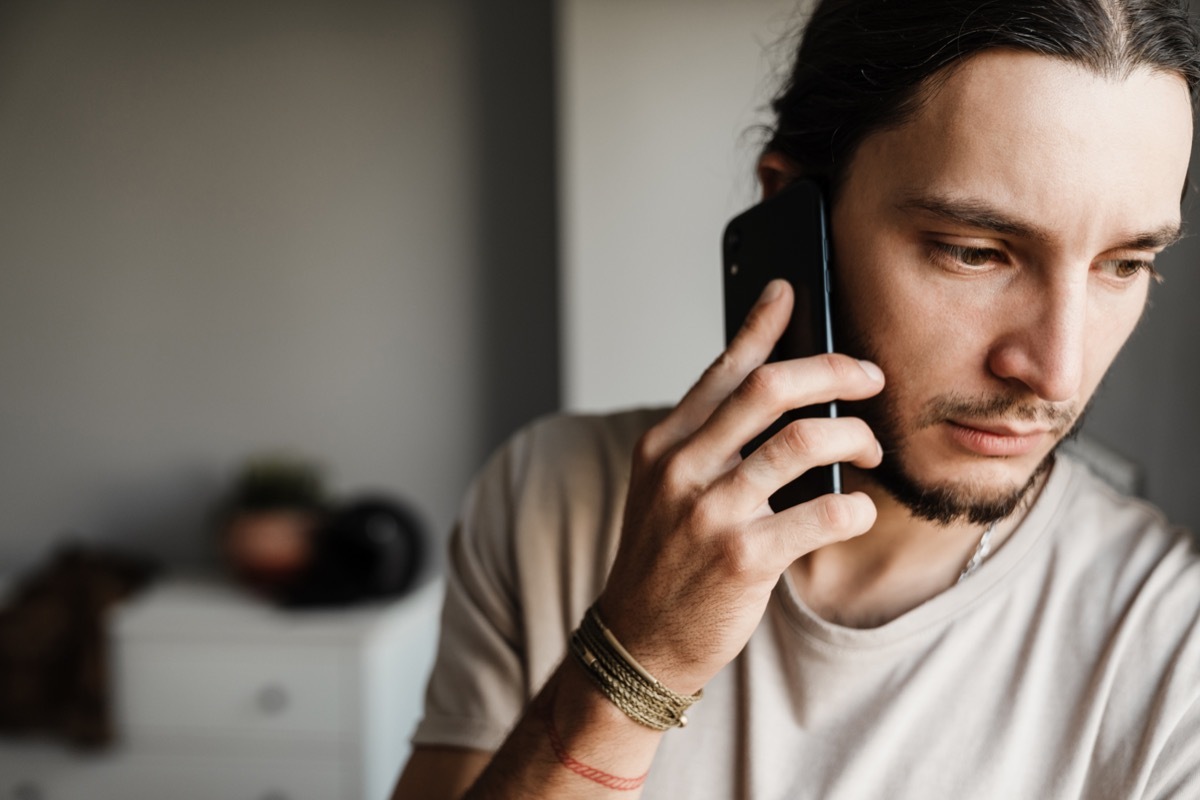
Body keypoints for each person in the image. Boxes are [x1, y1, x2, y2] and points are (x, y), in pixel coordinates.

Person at [394, 0, 1200, 797]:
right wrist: (632, 666)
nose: (1055, 373)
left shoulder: (1173, 644)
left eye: (1125, 264)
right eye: (974, 253)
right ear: (791, 214)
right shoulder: (549, 497)